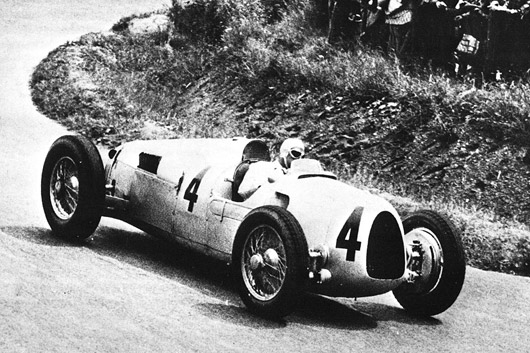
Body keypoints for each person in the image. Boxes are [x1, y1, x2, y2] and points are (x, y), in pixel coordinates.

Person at [237, 138, 305, 200]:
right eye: (296, 154)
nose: (299, 159)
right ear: (285, 152)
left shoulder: (295, 176)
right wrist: (266, 184)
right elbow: (243, 192)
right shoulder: (262, 167)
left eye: (302, 156)